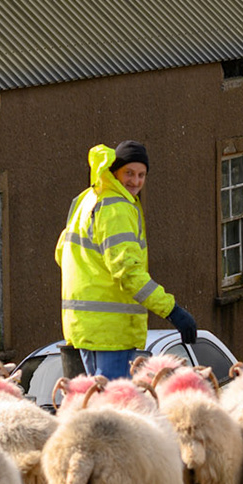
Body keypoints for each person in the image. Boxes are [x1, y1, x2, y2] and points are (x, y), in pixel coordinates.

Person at [57, 140, 200, 379]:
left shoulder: (87, 199)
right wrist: (173, 311)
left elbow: (62, 253)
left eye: (141, 175)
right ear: (115, 172)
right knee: (117, 407)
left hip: (84, 325)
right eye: (129, 173)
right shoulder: (117, 207)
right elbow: (128, 272)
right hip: (112, 330)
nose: (135, 181)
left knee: (97, 402)